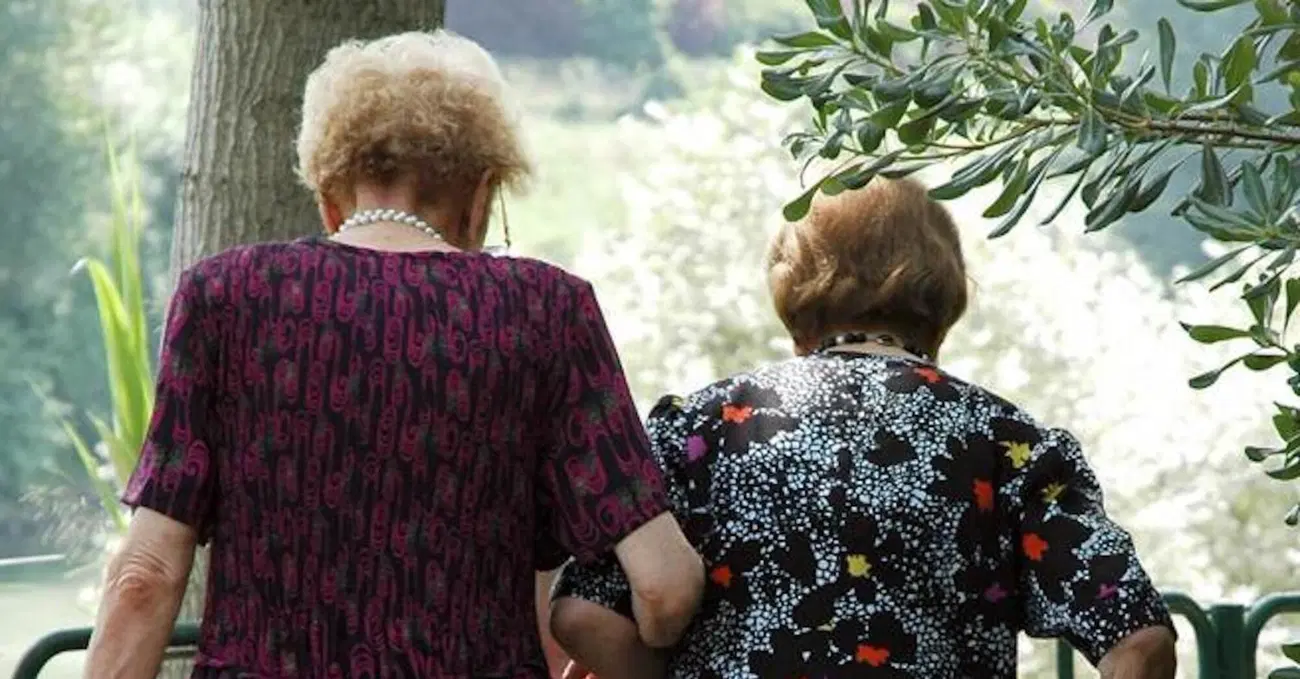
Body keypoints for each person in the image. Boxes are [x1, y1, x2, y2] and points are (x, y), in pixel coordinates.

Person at [82, 30, 703, 679]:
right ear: (482, 195)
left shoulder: (224, 297)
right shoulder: (548, 311)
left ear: (329, 198)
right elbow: (664, 584)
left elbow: (145, 575)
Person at [549, 178, 1177, 679]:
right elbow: (1139, 641)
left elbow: (583, 617)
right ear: (944, 301)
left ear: (793, 296)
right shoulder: (1008, 445)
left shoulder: (699, 431)